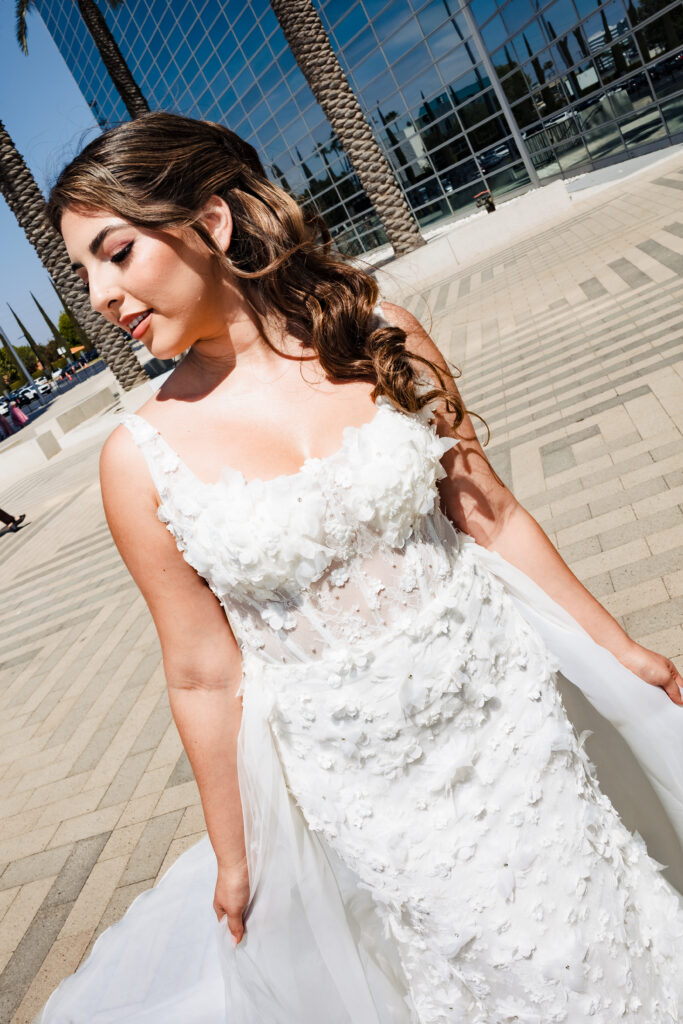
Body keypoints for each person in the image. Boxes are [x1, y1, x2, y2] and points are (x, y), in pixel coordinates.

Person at [37, 112, 682, 1024]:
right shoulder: (137, 458)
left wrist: (620, 650)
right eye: (82, 274)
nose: (100, 294)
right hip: (363, 780)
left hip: (506, 709)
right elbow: (201, 669)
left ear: (211, 223)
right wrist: (235, 854)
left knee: (595, 924)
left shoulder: (377, 334)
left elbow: (490, 517)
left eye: (116, 253)